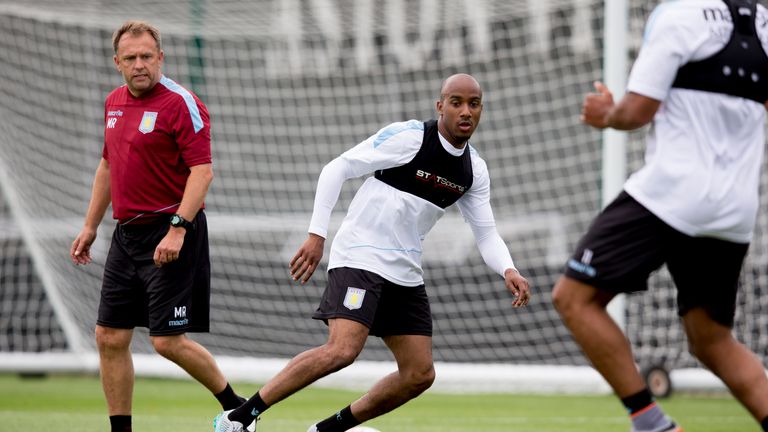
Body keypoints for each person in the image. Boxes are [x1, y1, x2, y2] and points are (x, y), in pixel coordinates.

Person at [212, 73, 531, 432]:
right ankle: (239, 418)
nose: (465, 111)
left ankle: (326, 430)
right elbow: (337, 168)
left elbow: (486, 234)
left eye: (473, 104)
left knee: (419, 374)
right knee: (343, 350)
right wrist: (317, 235)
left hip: (405, 271)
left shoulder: (474, 170)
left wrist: (508, 269)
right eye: (456, 102)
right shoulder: (410, 137)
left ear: (481, 109)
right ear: (440, 106)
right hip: (361, 255)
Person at [552, 1, 768, 431]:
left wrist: (605, 114)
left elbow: (635, 112)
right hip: (735, 210)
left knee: (574, 298)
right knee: (711, 338)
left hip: (672, 195)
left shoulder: (678, 16)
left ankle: (652, 423)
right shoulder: (765, 24)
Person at [70, 20, 250, 432]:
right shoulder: (113, 102)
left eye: (147, 56)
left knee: (166, 341)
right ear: (117, 63)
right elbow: (107, 165)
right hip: (126, 236)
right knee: (109, 337)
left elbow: (202, 173)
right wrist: (90, 226)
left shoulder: (182, 103)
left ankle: (238, 409)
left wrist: (177, 228)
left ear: (161, 58)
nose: (139, 65)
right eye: (130, 58)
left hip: (171, 231)